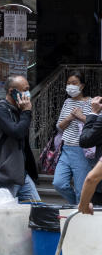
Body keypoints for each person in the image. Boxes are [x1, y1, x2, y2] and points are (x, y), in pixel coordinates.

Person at [0, 74, 40, 202]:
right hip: (4, 175)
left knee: (37, 210)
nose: (28, 93)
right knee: (3, 215)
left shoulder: (18, 110)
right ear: (12, 91)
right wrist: (27, 112)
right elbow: (17, 132)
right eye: (24, 90)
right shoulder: (0, 111)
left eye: (28, 89)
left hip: (21, 174)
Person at [52, 72, 94, 204]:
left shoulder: (92, 102)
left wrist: (81, 117)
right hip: (65, 148)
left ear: (82, 86)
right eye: (68, 83)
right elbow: (59, 126)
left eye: (74, 83)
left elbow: (96, 126)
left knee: (81, 190)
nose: (70, 86)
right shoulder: (67, 102)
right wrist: (70, 117)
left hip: (82, 151)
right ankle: (77, 205)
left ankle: (80, 215)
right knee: (59, 183)